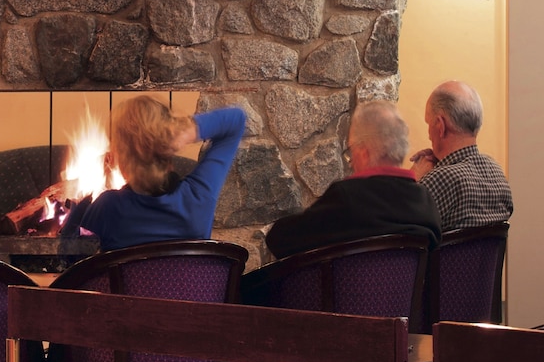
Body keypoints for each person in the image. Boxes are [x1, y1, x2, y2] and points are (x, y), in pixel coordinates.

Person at [265, 100, 442, 259]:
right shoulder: (426, 201)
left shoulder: (348, 197)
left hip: (342, 295)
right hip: (408, 296)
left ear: (364, 153)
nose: (351, 161)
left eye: (351, 150)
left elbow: (279, 240)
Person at [69, 96, 246, 252]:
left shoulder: (108, 206)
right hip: (188, 291)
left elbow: (71, 258)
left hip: (126, 291)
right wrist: (184, 131)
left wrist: (78, 208)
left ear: (121, 156)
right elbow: (236, 120)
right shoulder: (199, 196)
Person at [410, 80, 513, 231]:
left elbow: (395, 229)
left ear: (440, 125)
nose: (428, 135)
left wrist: (412, 180)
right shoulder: (498, 175)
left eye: (428, 124)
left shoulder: (439, 180)